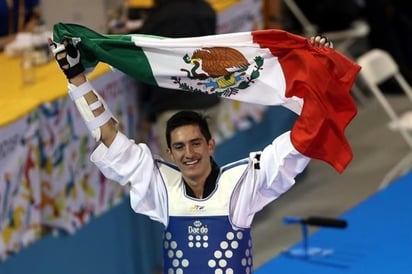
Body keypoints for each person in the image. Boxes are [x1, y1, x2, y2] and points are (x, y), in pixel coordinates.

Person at [48, 34, 332, 273]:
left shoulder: (243, 182)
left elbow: (300, 141)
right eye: (180, 147)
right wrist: (77, 79)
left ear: (211, 145)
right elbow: (107, 135)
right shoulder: (161, 185)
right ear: (169, 153)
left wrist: (320, 70)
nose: (189, 153)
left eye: (196, 143)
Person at [137, 0, 221, 158]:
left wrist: (146, 105)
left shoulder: (157, 18)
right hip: (207, 99)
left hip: (173, 105)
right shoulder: (206, 10)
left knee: (180, 175)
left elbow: (146, 63)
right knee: (204, 166)